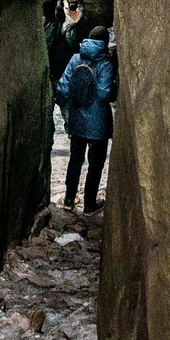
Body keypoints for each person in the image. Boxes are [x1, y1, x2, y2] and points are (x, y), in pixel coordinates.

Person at [55, 26, 118, 212]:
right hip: (98, 123)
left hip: (77, 119)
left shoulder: (76, 58)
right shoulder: (106, 63)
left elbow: (63, 88)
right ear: (105, 42)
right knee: (96, 163)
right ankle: (90, 204)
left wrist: (66, 110)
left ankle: (68, 199)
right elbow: (104, 93)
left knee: (75, 159)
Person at [42, 0, 82, 84]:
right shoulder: (53, 21)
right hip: (53, 67)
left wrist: (77, 22)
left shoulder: (81, 24)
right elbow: (46, 4)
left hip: (69, 71)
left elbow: (84, 45)